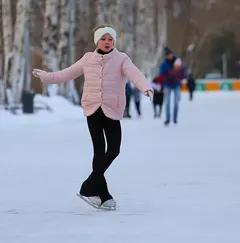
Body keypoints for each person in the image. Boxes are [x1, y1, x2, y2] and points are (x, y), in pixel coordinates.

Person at [32, 25, 154, 209]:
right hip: (92, 108)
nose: (107, 42)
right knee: (99, 150)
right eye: (103, 39)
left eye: (110, 39)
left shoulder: (121, 59)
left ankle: (89, 186)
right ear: (97, 41)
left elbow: (134, 74)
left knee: (113, 149)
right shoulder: (88, 59)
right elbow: (66, 74)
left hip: (112, 109)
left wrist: (145, 87)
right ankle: (103, 195)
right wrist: (47, 77)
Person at [161, 57, 186, 125]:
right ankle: (168, 119)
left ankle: (175, 118)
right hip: (168, 86)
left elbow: (184, 76)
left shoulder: (181, 70)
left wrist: (180, 77)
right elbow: (163, 75)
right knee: (167, 103)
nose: (177, 66)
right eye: (176, 65)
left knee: (176, 103)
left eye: (178, 65)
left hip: (177, 86)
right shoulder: (169, 69)